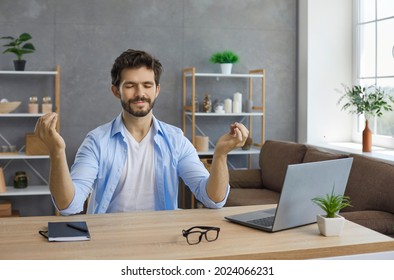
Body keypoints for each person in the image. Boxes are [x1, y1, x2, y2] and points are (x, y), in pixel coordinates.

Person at [34, 49, 249, 215]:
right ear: (115, 90)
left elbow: (213, 199)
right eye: (130, 85)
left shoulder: (176, 140)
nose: (140, 93)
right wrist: (57, 152)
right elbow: (68, 206)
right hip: (107, 243)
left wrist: (220, 155)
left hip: (161, 240)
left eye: (147, 85)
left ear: (156, 90)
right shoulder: (96, 141)